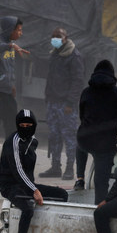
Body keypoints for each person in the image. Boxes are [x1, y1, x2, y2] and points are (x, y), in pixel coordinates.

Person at [0, 109, 69, 233]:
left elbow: (28, 172)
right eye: (22, 125)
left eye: (28, 125)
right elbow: (18, 171)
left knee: (62, 195)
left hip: (26, 184)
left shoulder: (33, 141)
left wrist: (33, 187)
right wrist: (34, 190)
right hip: (11, 186)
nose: (25, 128)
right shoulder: (13, 142)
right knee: (28, 207)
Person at [77, 59, 117, 204]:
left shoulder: (86, 92)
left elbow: (82, 116)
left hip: (85, 139)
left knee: (79, 145)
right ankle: (99, 211)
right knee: (101, 182)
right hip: (105, 145)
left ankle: (80, 179)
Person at [0, 16, 29, 178]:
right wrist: (10, 45)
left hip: (7, 93)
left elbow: (9, 68)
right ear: (10, 30)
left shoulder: (11, 45)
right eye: (19, 30)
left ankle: (10, 165)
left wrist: (12, 85)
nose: (21, 33)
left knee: (12, 129)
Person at [39, 27, 84, 181]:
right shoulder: (55, 54)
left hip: (66, 105)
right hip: (53, 102)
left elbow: (77, 82)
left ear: (65, 38)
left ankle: (70, 168)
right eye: (53, 36)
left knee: (69, 137)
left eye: (58, 36)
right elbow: (50, 78)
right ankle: (55, 166)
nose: (55, 39)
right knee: (54, 136)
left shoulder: (74, 56)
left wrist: (70, 102)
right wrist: (47, 98)